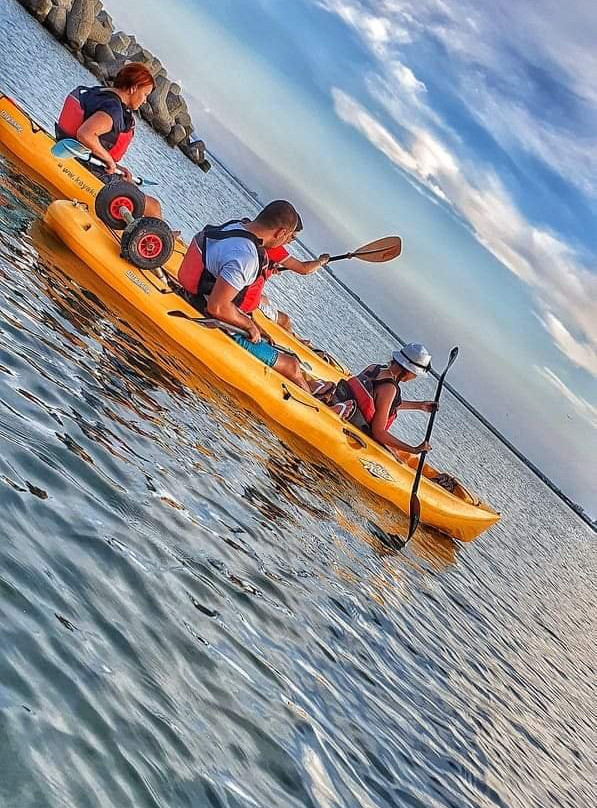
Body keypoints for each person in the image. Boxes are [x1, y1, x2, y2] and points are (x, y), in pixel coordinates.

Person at [177, 200, 314, 392]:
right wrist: (248, 325)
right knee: (292, 367)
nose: (285, 242)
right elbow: (217, 307)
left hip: (193, 295)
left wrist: (250, 322)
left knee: (272, 344)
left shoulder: (235, 226)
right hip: (210, 316)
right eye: (288, 237)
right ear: (281, 232)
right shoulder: (246, 257)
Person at [56, 63, 162, 218]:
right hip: (86, 168)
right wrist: (110, 162)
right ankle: (153, 235)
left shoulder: (99, 92)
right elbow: (85, 134)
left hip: (73, 153)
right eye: (145, 94)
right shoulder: (113, 110)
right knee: (153, 206)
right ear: (133, 88)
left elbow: (91, 142)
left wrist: (116, 166)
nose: (144, 101)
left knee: (130, 184)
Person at [313, 343, 437, 456]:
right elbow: (378, 432)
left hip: (344, 408)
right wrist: (413, 449)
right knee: (395, 454)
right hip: (356, 429)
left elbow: (378, 403)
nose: (415, 377)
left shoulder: (374, 368)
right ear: (408, 370)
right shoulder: (389, 388)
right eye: (415, 373)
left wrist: (420, 406)